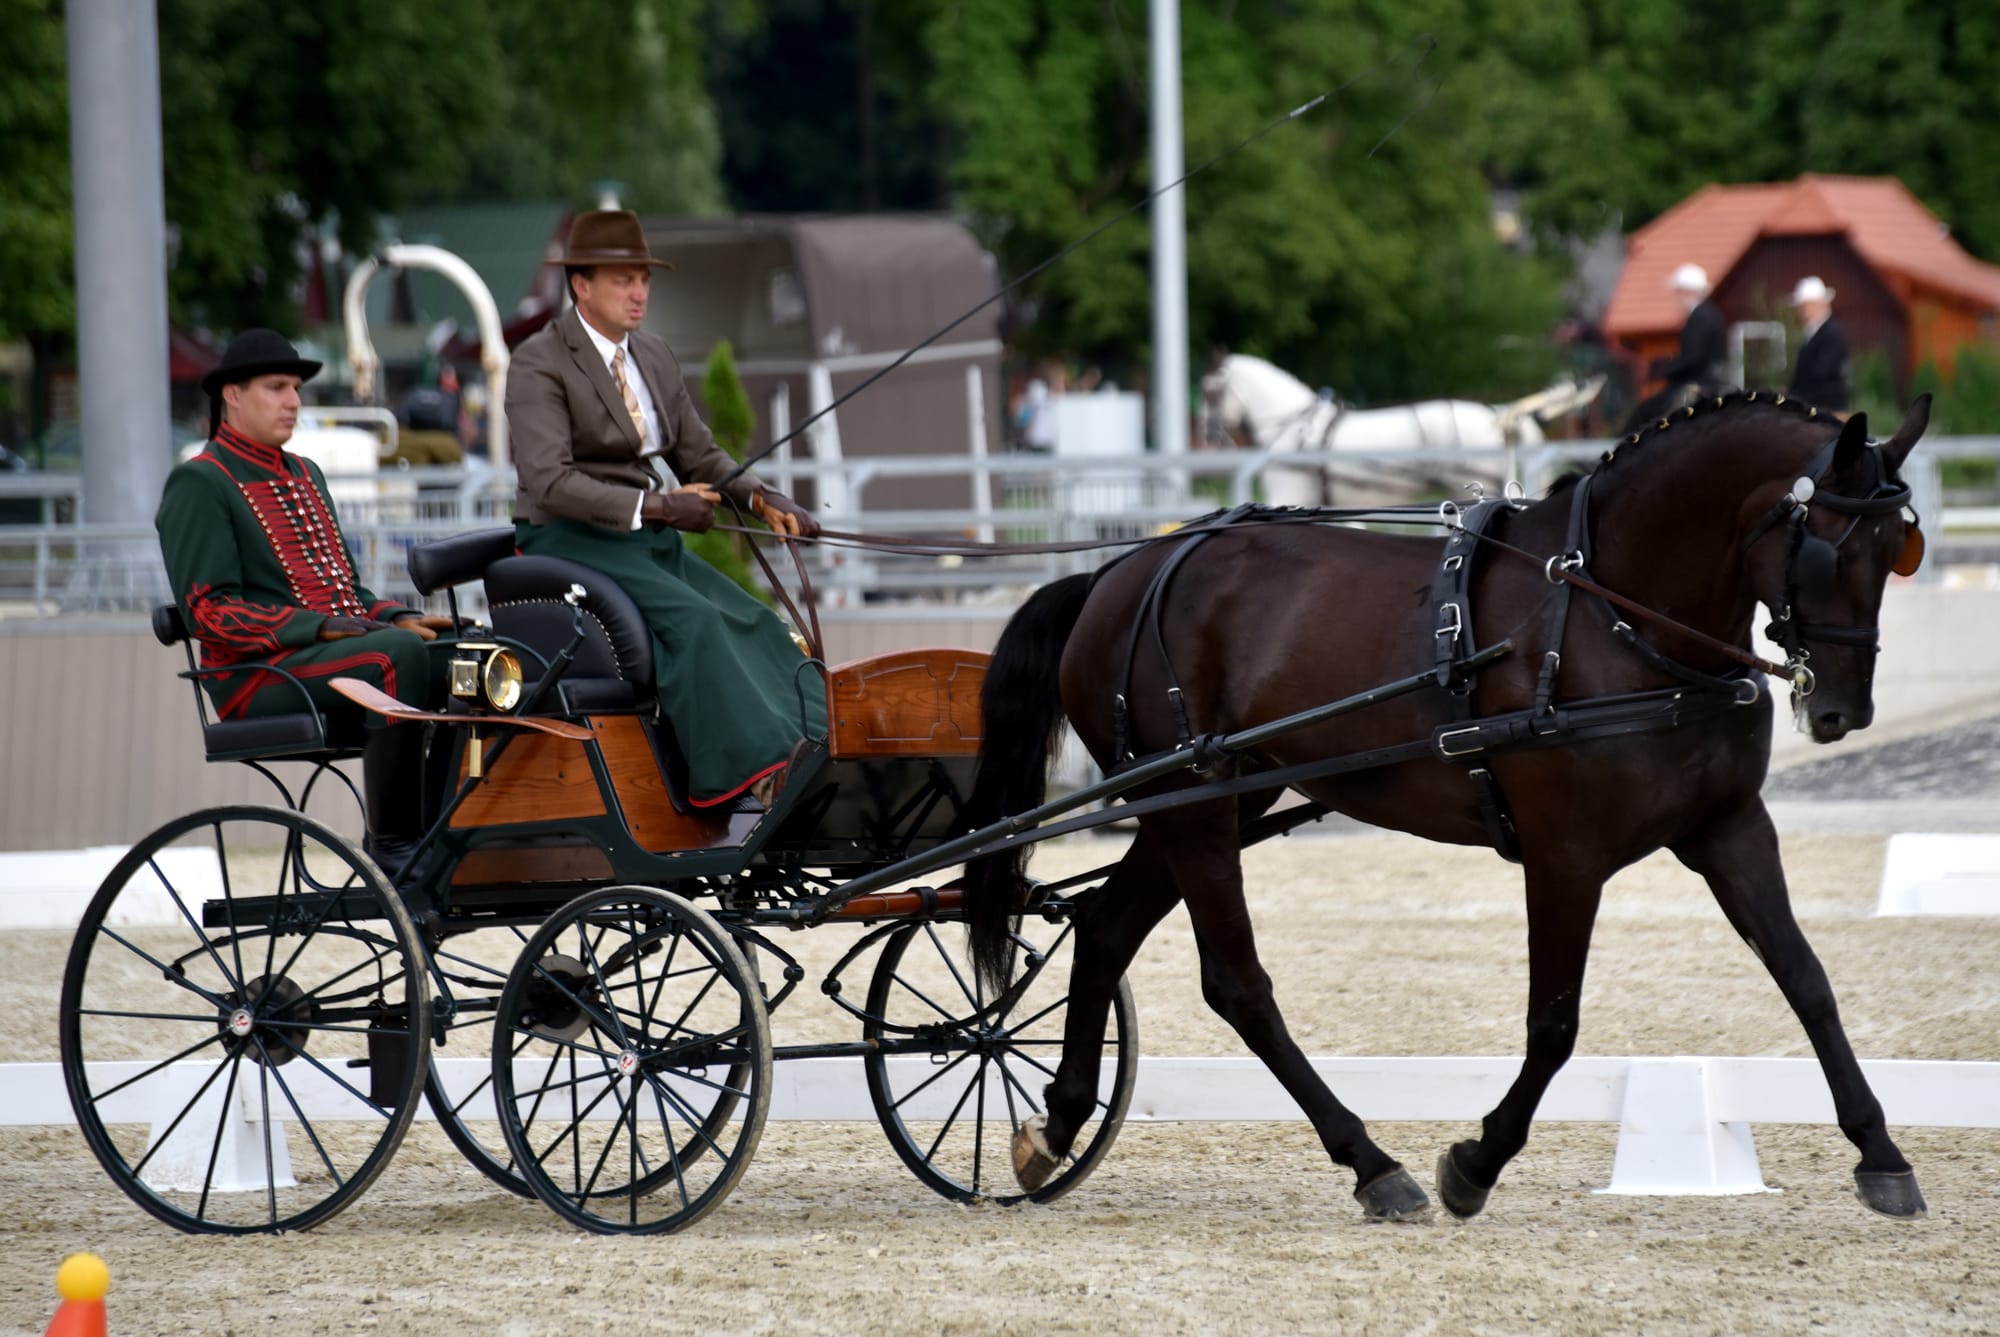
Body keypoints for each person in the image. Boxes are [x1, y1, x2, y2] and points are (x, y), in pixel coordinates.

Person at [505, 209, 824, 809]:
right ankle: (757, 774)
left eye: (644, 279)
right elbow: (549, 482)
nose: (639, 291)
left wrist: (761, 498)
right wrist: (658, 506)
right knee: (699, 625)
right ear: (581, 284)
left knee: (753, 619)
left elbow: (697, 450)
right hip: (569, 542)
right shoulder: (538, 362)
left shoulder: (651, 355)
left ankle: (815, 750)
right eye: (624, 279)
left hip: (644, 540)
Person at [155, 329, 457, 866]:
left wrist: (400, 616)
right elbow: (209, 611)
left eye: (295, 388)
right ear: (232, 394)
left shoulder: (304, 472)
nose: (293, 401)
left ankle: (451, 823)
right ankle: (394, 845)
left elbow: (349, 593)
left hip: (323, 656)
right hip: (258, 675)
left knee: (465, 653)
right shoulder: (201, 482)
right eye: (276, 387)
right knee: (395, 656)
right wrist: (319, 627)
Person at [1620, 263, 1732, 433]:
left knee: (1646, 414)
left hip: (1698, 384)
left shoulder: (1699, 318)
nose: (1676, 298)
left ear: (1686, 292)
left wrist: (1665, 369)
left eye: (1678, 292)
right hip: (1712, 382)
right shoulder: (1711, 314)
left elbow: (1693, 358)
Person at [1786, 275, 1850, 411]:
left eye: (1805, 306)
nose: (1801, 311)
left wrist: (1795, 397)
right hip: (1810, 404)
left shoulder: (1832, 333)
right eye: (1801, 307)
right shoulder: (1812, 333)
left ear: (1819, 305)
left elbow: (1821, 375)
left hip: (1825, 408)